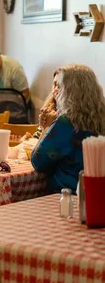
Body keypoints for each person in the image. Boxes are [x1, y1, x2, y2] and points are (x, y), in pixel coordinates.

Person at [31, 64, 105, 194]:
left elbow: (38, 162)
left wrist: (47, 126)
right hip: (98, 193)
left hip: (66, 194)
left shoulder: (67, 122)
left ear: (70, 90)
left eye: (58, 86)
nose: (54, 91)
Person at [20, 71, 58, 142]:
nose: (55, 89)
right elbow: (39, 137)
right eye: (55, 84)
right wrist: (30, 140)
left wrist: (47, 127)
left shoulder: (72, 118)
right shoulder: (50, 106)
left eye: (60, 86)